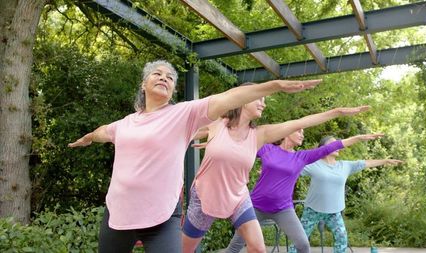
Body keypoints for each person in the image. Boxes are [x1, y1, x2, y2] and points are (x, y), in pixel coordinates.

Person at [67, 59, 321, 253]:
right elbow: (104, 132)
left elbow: (229, 98)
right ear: (143, 84)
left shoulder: (182, 115)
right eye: (157, 74)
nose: (163, 78)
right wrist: (89, 136)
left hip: (162, 218)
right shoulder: (125, 123)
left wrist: (274, 85)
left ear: (174, 88)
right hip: (119, 214)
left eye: (169, 77)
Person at [182, 94, 370, 253]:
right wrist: (217, 143)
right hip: (237, 201)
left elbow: (317, 137)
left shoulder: (294, 153)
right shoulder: (263, 146)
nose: (263, 103)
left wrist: (338, 114)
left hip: (268, 205)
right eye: (259, 98)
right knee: (219, 247)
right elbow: (197, 135)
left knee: (284, 246)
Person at [226, 131, 384, 253]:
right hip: (255, 207)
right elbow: (242, 149)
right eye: (299, 130)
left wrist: (359, 138)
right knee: (236, 245)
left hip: (283, 209)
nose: (302, 133)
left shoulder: (301, 157)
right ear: (287, 132)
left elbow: (332, 147)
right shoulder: (267, 149)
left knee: (303, 245)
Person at [289, 136, 403, 253]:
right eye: (334, 143)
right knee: (299, 241)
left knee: (342, 239)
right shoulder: (313, 165)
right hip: (313, 210)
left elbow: (366, 163)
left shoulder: (345, 166)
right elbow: (292, 164)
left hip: (334, 212)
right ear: (323, 148)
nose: (338, 145)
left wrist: (385, 161)